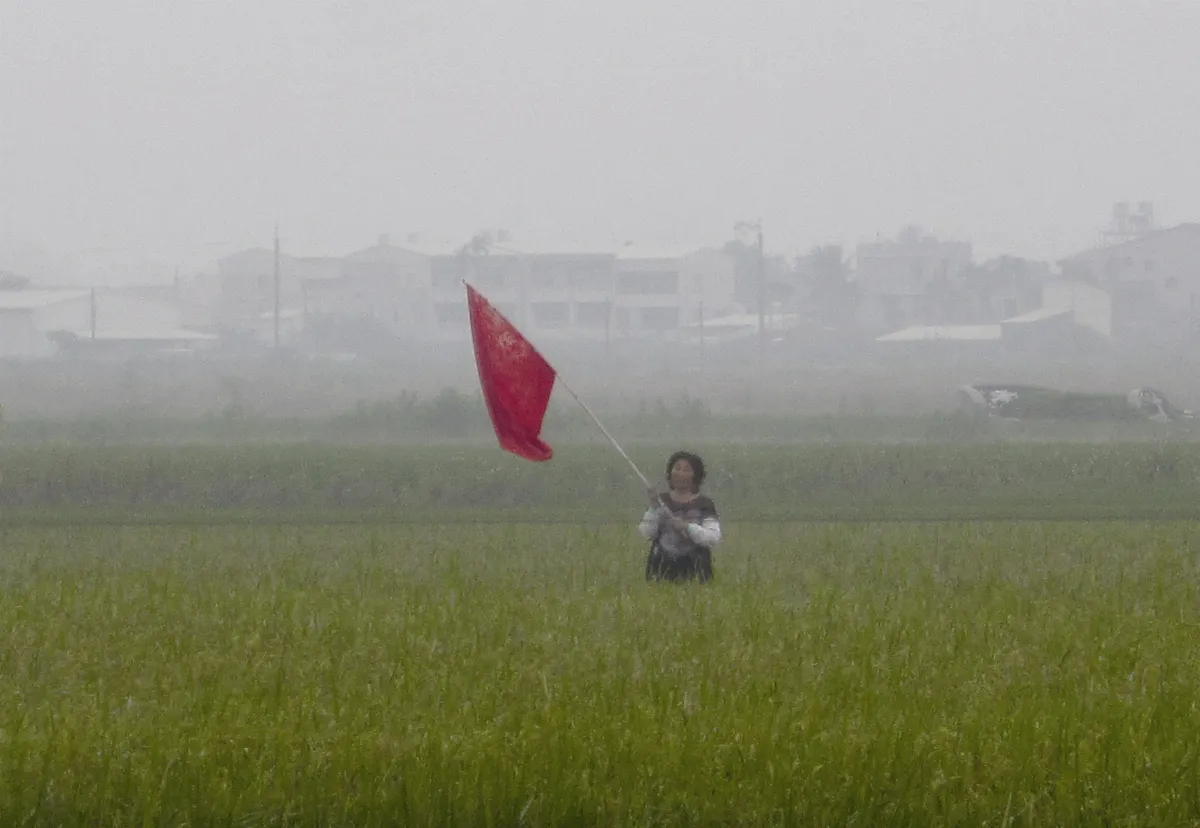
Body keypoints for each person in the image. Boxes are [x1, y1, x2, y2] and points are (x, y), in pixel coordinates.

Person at [639, 450, 722, 583]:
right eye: (677, 468)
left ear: (696, 476)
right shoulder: (661, 501)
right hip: (660, 570)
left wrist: (688, 527)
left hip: (696, 571)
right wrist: (654, 507)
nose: (680, 473)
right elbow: (646, 532)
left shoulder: (704, 504)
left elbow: (713, 538)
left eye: (686, 470)